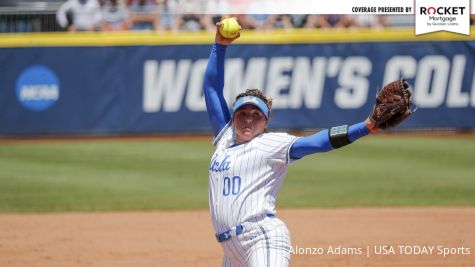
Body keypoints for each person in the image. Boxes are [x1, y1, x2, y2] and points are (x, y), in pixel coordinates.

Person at [203, 18, 411, 266]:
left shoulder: (272, 144)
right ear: (233, 117)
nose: (248, 119)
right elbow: (212, 88)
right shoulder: (225, 138)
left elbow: (317, 142)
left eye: (256, 115)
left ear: (266, 123)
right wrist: (220, 45)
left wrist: (366, 127)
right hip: (230, 251)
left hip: (262, 239)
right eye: (242, 113)